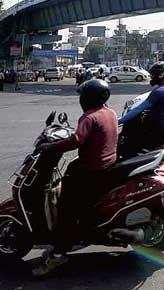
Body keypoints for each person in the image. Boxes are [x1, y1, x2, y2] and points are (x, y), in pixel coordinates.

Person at [33, 78, 118, 276]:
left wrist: (49, 146)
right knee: (71, 171)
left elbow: (77, 141)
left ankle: (59, 254)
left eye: (83, 96)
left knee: (65, 207)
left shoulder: (89, 117)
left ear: (89, 98)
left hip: (92, 170)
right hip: (105, 166)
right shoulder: (110, 112)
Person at [119, 62, 164, 156]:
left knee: (131, 142)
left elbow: (139, 109)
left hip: (161, 129)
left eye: (153, 74)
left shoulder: (159, 91)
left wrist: (119, 121)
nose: (151, 77)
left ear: (160, 75)